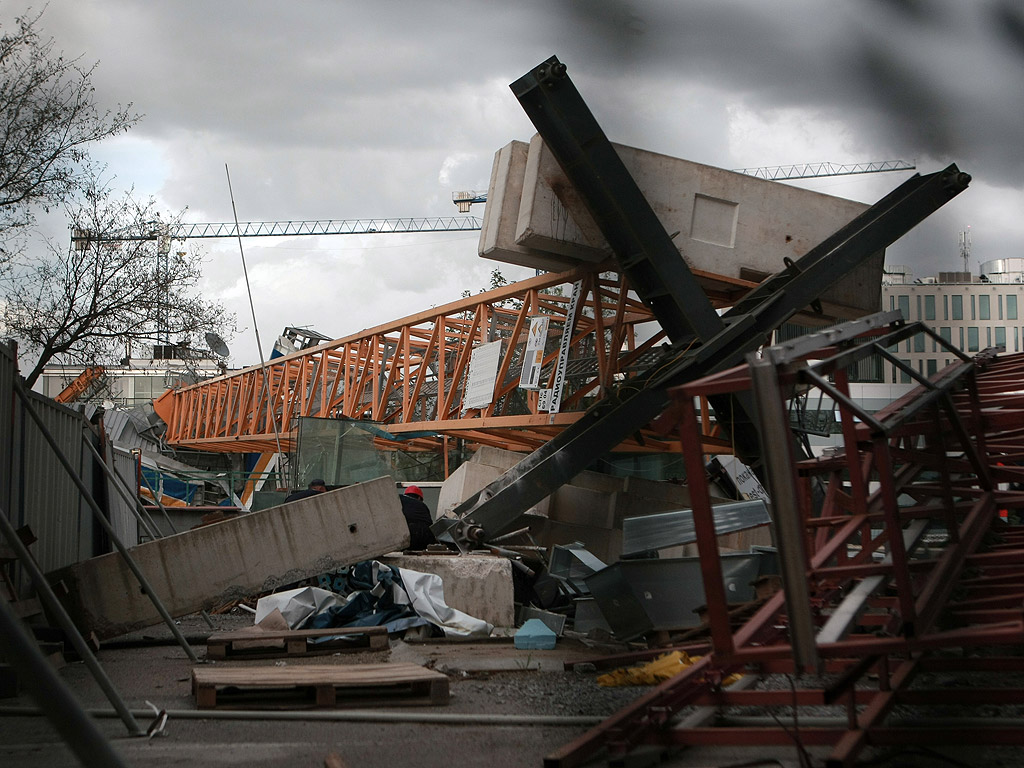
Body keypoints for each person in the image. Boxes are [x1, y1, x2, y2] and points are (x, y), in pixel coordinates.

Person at [399, 485, 437, 550]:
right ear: (419, 498)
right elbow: (430, 525)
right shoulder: (422, 505)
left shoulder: (400, 501)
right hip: (422, 538)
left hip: (404, 536)